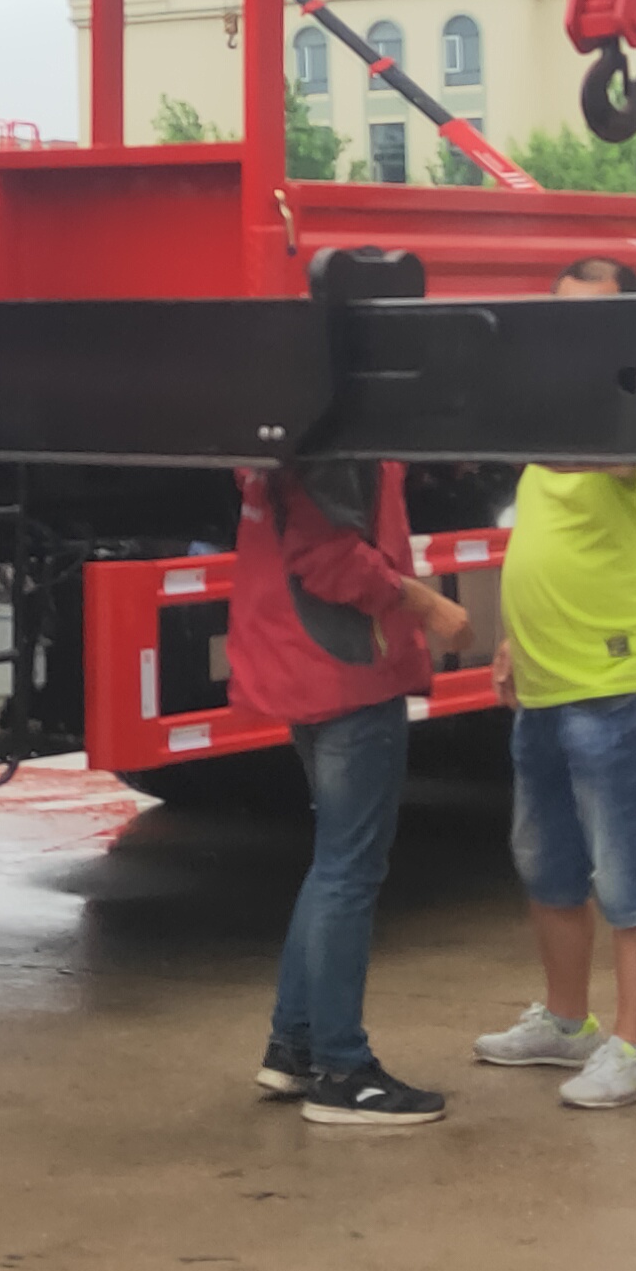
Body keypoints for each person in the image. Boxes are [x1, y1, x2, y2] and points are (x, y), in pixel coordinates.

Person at [470, 259, 636, 1110]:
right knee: (548, 864)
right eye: (558, 314)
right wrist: (507, 641)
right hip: (546, 681)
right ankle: (568, 1025)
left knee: (630, 876)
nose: (570, 330)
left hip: (620, 684)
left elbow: (605, 457)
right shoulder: (552, 410)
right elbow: (541, 534)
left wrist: (493, 413)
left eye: (589, 318)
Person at [231, 449, 476, 1127]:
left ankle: (296, 1045)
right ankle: (342, 1070)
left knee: (335, 860)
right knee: (350, 868)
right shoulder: (342, 447)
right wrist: (423, 603)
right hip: (347, 667)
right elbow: (330, 556)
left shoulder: (286, 435)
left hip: (305, 663)